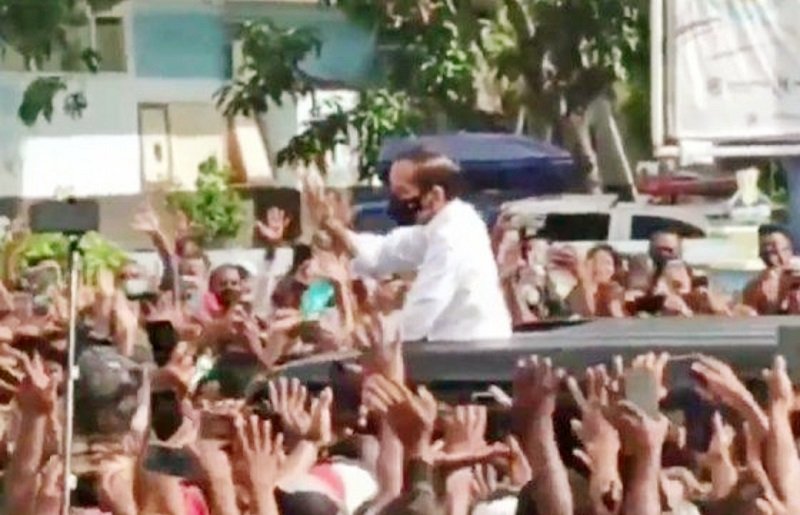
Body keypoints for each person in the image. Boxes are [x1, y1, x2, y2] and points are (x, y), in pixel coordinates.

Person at [330, 148, 512, 341]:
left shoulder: (452, 235)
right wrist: (333, 231)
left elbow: (423, 309)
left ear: (435, 195)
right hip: (456, 346)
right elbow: (384, 252)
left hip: (471, 349)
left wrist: (368, 336)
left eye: (402, 192)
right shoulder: (439, 226)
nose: (394, 201)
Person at [743, 225, 796, 315]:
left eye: (785, 250)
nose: (782, 258)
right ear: (761, 255)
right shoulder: (755, 288)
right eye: (772, 252)